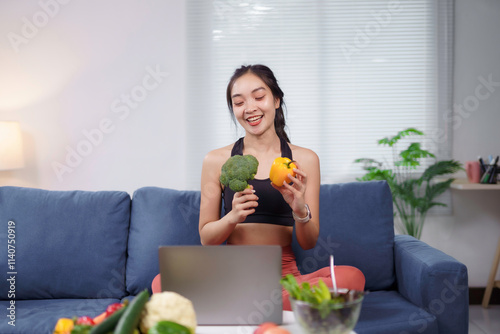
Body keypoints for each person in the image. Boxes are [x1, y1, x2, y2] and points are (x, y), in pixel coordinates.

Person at [153, 64, 365, 310]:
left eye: (259, 96)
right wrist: (232, 217)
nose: (250, 108)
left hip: (284, 277)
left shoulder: (305, 160)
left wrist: (299, 209)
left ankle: (244, 306)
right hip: (229, 274)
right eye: (239, 102)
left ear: (276, 100)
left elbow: (308, 243)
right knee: (162, 281)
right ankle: (265, 307)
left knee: (351, 278)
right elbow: (207, 238)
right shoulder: (216, 160)